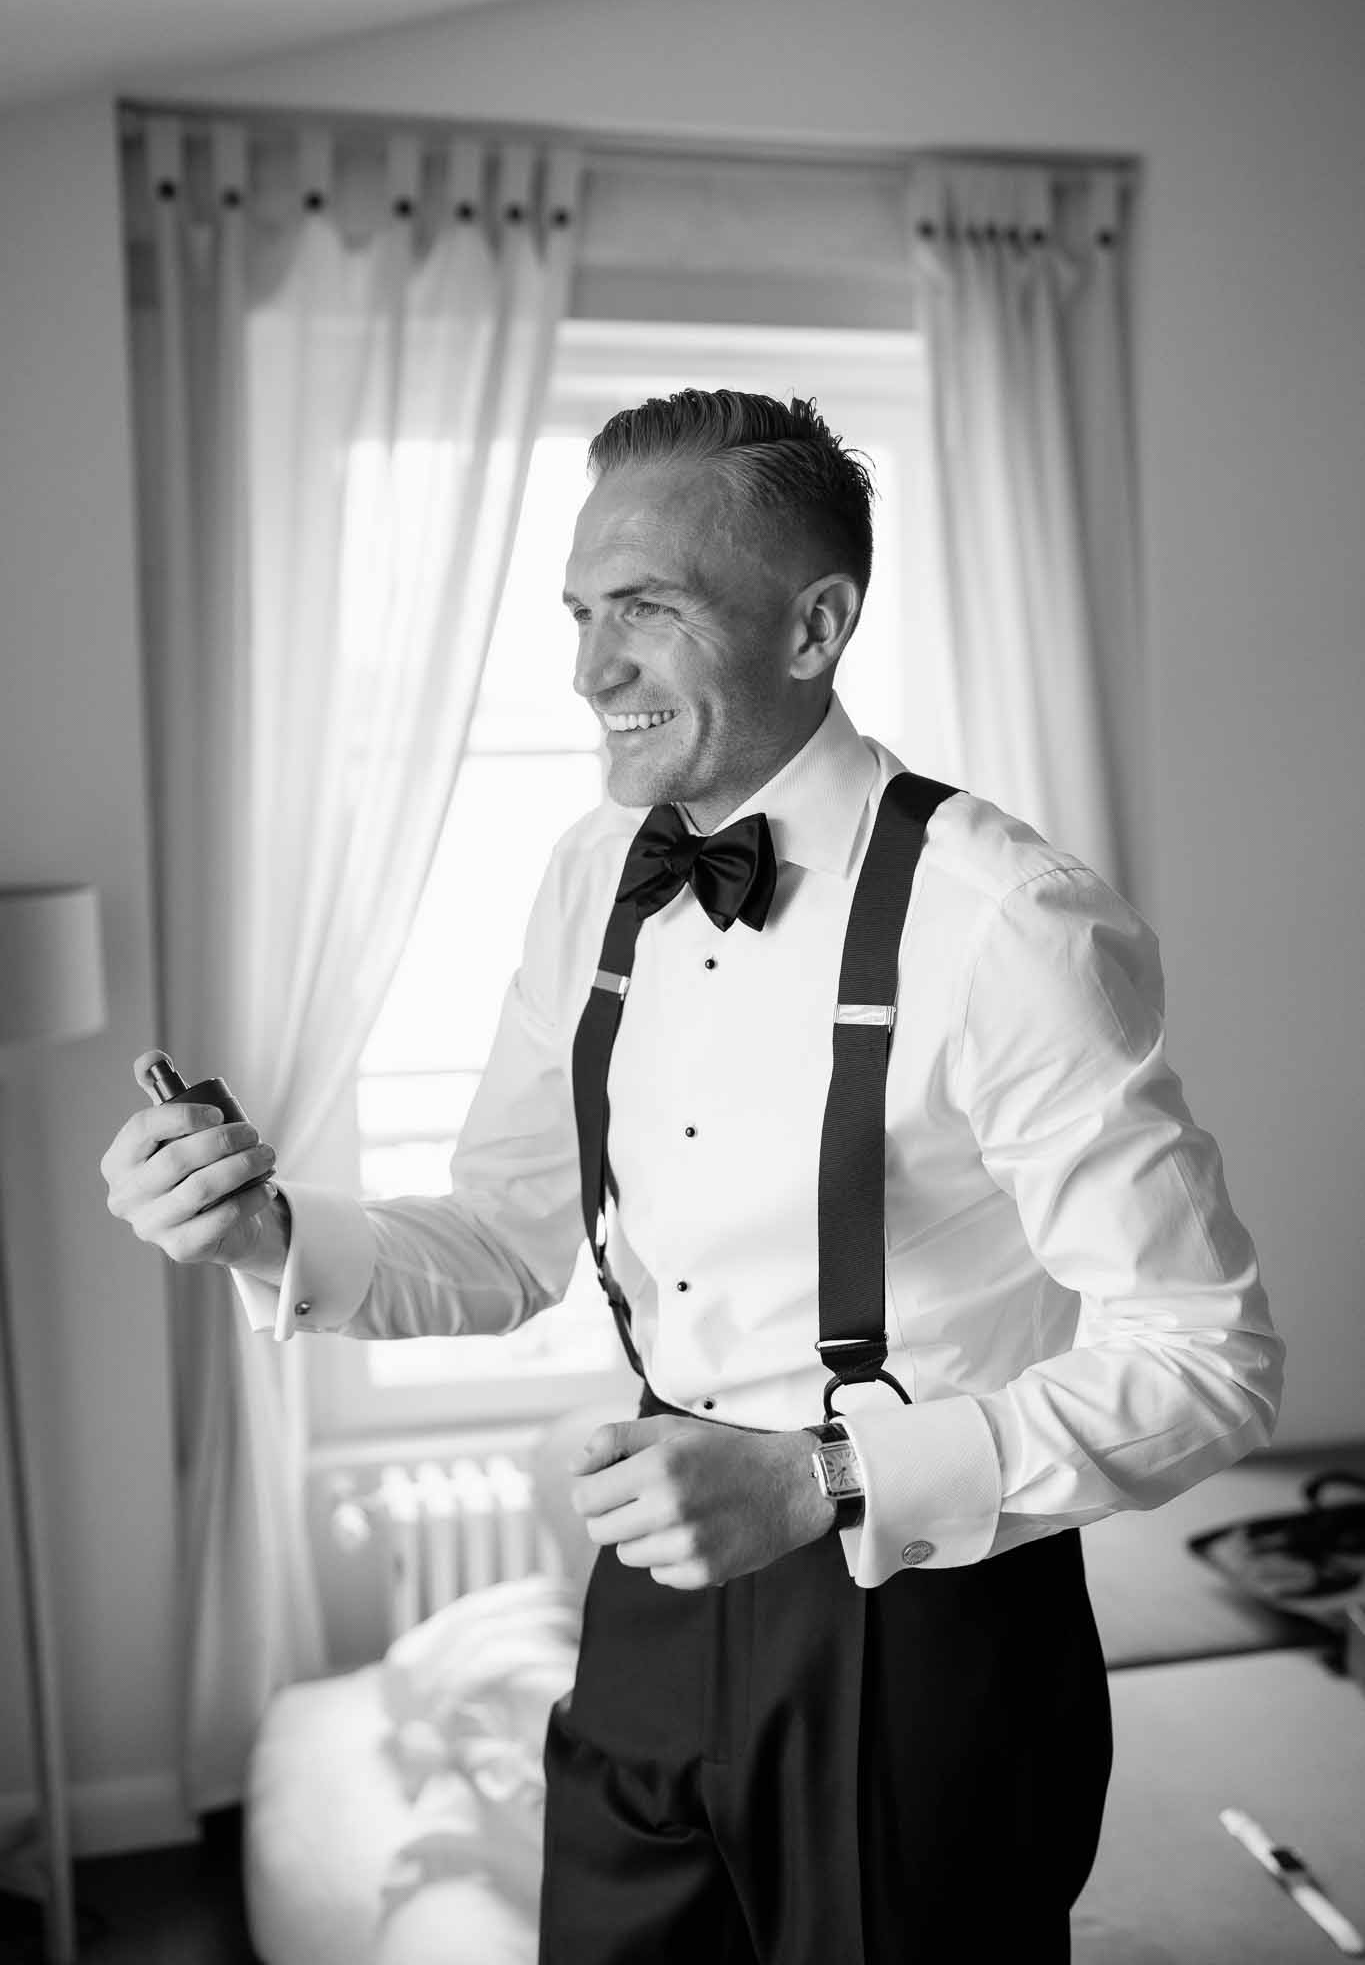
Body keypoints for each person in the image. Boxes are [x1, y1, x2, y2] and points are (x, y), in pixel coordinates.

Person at [102, 390, 1284, 1964]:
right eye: (582, 615)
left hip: (925, 1624)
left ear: (815, 625)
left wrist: (821, 1480)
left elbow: (1209, 1359)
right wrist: (266, 1233)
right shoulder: (588, 874)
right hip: (651, 1592)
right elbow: (512, 1236)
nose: (589, 672)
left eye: (643, 613)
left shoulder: (1007, 922)